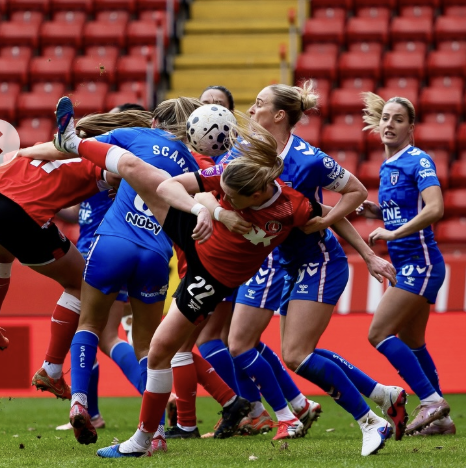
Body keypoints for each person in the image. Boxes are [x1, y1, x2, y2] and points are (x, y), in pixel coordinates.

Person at [52, 95, 343, 457]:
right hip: (193, 247)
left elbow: (328, 207)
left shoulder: (279, 197)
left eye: (233, 198)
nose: (228, 199)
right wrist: (213, 211)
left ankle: (161, 433)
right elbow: (172, 187)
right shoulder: (224, 170)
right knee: (173, 346)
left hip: (208, 270)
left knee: (174, 347)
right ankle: (235, 415)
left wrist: (347, 223)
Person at [219, 80, 407, 455]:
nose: (251, 110)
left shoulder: (308, 159)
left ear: (279, 115)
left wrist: (334, 227)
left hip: (318, 261)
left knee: (296, 354)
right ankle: (382, 394)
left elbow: (355, 192)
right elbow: (216, 185)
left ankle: (370, 422)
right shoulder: (244, 151)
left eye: (259, 104)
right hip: (280, 260)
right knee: (275, 349)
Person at [357, 92, 454, 436]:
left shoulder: (418, 160)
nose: (389, 124)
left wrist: (394, 232)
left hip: (421, 263)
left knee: (379, 333)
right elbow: (407, 210)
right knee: (413, 341)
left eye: (398, 119)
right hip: (410, 263)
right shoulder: (388, 166)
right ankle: (441, 421)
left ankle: (431, 401)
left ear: (411, 127)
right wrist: (378, 212)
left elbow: (435, 208)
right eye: (386, 118)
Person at [0, 141, 119, 399]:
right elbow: (120, 172)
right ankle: (52, 370)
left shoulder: (39, 148)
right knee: (82, 283)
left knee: (3, 254)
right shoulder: (101, 158)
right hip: (24, 214)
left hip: (4, 198)